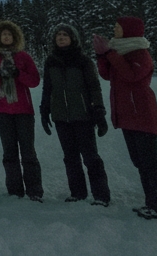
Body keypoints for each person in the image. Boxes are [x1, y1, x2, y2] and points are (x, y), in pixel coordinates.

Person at [94, 15, 157, 220]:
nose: (114, 29)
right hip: (126, 114)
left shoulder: (141, 53)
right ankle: (152, 202)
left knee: (150, 162)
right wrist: (102, 56)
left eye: (118, 26)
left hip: (142, 113)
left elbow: (132, 76)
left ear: (128, 30)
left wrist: (110, 53)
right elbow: (107, 75)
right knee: (139, 161)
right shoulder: (119, 52)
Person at [39, 23, 111, 206]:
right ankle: (78, 193)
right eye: (58, 35)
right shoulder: (51, 61)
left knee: (91, 157)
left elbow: (94, 87)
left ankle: (101, 195)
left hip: (83, 115)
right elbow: (48, 88)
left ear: (73, 38)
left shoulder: (83, 61)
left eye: (65, 35)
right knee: (70, 157)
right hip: (61, 117)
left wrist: (99, 111)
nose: (61, 37)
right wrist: (44, 110)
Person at [0, 19, 43, 201]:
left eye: (9, 34)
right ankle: (15, 190)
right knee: (9, 152)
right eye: (3, 34)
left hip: (24, 111)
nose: (6, 37)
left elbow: (35, 80)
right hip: (2, 111)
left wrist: (18, 74)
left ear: (15, 37)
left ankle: (34, 190)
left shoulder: (23, 56)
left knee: (28, 151)